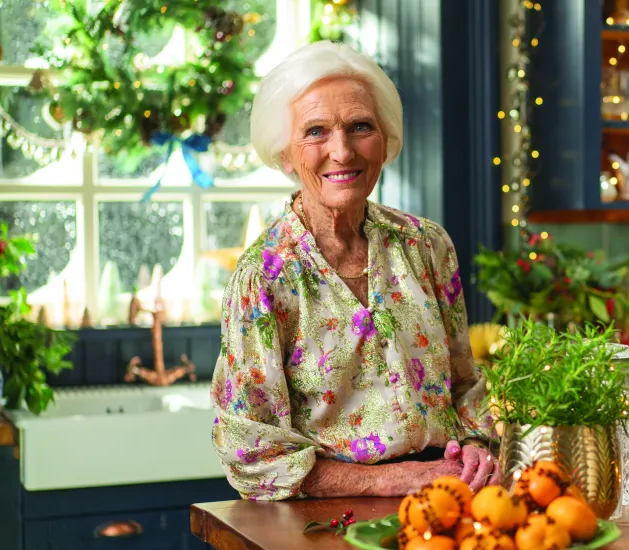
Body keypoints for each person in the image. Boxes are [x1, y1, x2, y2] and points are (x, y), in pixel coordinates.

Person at [210, 41, 498, 501]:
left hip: (446, 498)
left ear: (385, 141)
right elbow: (253, 456)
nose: (341, 151)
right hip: (329, 516)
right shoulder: (264, 277)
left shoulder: (427, 245)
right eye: (316, 131)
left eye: (360, 126)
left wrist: (477, 445)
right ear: (286, 153)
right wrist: (392, 481)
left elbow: (466, 386)